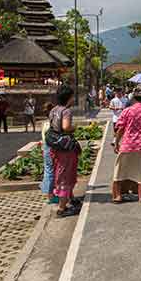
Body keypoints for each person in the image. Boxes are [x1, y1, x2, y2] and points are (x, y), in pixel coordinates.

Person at [112, 85, 141, 203]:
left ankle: (118, 196)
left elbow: (121, 129)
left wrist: (116, 142)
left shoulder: (127, 111)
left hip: (127, 144)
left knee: (120, 170)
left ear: (133, 97)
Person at [48, 86, 81, 218]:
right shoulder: (66, 111)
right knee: (65, 175)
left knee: (61, 172)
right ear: (69, 97)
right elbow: (66, 127)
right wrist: (74, 127)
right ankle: (62, 208)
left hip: (55, 146)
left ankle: (71, 198)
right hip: (65, 148)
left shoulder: (53, 110)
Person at [40, 103, 57, 204]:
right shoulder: (52, 124)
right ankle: (51, 196)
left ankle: (49, 195)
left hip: (45, 148)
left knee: (48, 171)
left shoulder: (45, 123)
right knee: (52, 172)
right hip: (51, 149)